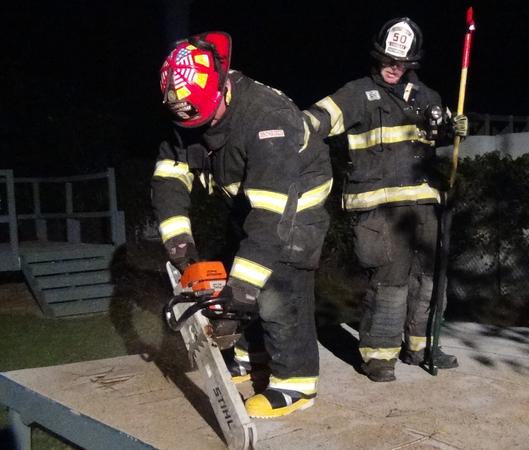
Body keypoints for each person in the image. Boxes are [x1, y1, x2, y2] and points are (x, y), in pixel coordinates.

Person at [151, 32, 332, 417]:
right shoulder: (187, 107)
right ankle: (254, 357)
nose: (197, 130)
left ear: (222, 88)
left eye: (207, 119)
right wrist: (178, 240)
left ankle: (295, 384)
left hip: (295, 201)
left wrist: (244, 288)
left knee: (278, 282)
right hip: (250, 198)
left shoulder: (267, 118)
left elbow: (271, 217)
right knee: (239, 271)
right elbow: (169, 174)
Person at [305, 17, 467, 382]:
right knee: (390, 280)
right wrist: (286, 133)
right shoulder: (357, 93)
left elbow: (435, 139)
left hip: (426, 204)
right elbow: (317, 119)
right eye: (387, 61)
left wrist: (452, 129)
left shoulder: (429, 97)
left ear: (411, 63)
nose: (393, 69)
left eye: (402, 63)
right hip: (380, 209)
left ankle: (422, 346)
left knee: (431, 278)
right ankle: (379, 356)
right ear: (377, 57)